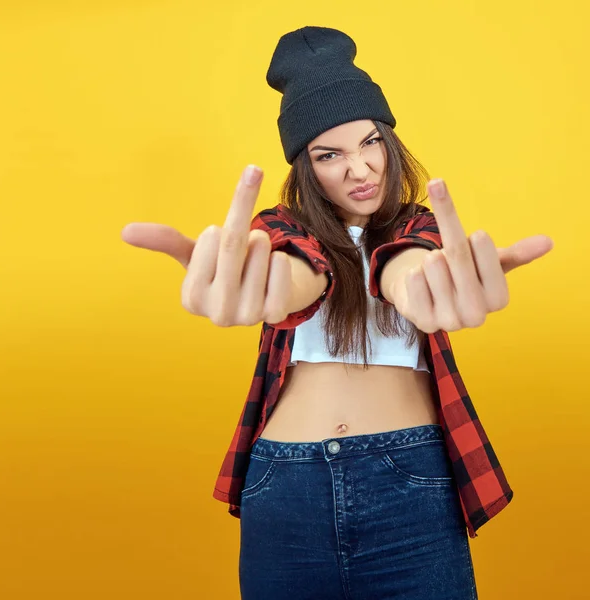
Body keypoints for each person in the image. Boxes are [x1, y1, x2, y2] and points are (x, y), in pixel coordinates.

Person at [121, 26, 553, 600]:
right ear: (306, 167)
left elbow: (405, 267)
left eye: (370, 142)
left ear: (390, 143)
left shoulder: (413, 228)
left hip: (410, 481)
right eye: (330, 154)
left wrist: (422, 287)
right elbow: (296, 271)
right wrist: (271, 290)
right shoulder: (281, 230)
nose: (360, 169)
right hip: (285, 485)